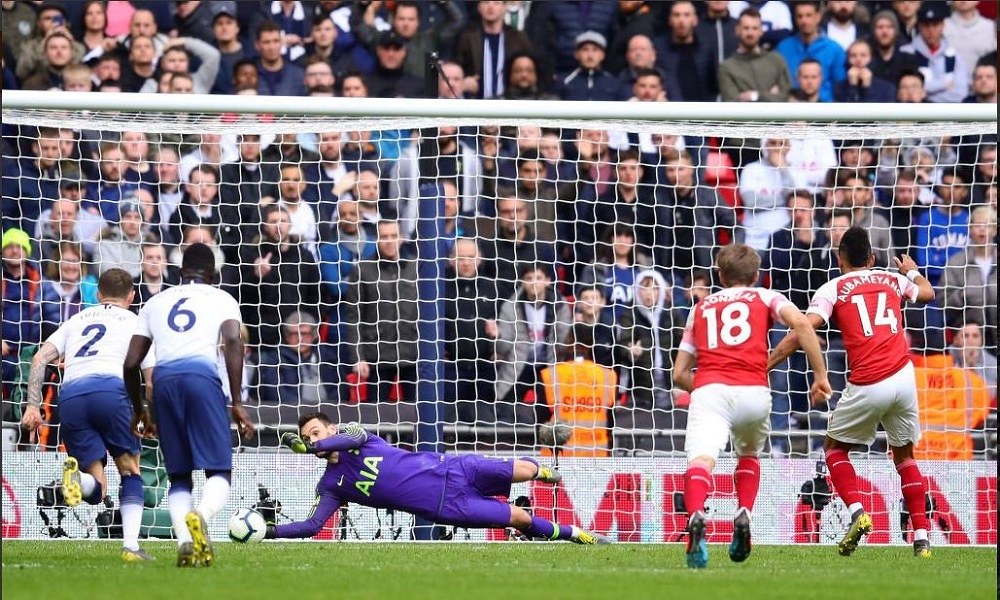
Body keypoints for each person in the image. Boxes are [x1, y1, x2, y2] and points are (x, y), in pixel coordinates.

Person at [768, 227, 937, 558]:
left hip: (868, 381)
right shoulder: (893, 279)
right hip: (903, 377)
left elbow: (801, 330)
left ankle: (858, 513)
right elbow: (928, 292)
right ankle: (922, 538)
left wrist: (766, 365)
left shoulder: (833, 287)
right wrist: (912, 271)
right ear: (872, 259)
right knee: (904, 457)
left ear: (839, 258)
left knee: (834, 450)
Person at [673, 243, 831, 569]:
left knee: (701, 461)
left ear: (720, 276)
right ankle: (744, 512)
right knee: (747, 454)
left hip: (711, 389)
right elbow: (803, 325)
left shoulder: (700, 307)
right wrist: (820, 375)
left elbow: (678, 374)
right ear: (757, 275)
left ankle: (696, 515)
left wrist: (707, 392)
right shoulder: (766, 297)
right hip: (754, 391)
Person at [260, 412, 607, 545]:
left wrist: (311, 447)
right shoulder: (330, 485)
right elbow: (312, 526)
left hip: (454, 468)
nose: (312, 440)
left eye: (316, 432)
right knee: (519, 517)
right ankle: (575, 534)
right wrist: (267, 531)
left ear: (331, 429)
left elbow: (347, 438)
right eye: (307, 438)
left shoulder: (356, 435)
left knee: (527, 471)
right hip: (448, 506)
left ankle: (541, 469)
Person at [124, 243, 255, 568]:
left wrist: (140, 410)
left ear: (180, 271)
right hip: (201, 378)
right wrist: (237, 402)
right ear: (212, 274)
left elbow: (130, 364)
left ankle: (185, 541)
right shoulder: (222, 298)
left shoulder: (155, 302)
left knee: (179, 475)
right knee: (218, 469)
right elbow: (233, 340)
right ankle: (202, 515)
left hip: (164, 383)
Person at [21, 268, 154, 562]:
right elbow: (150, 377)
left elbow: (39, 358)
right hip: (112, 392)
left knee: (97, 489)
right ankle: (131, 547)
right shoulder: (136, 323)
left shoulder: (76, 320)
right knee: (130, 471)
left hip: (71, 397)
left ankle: (79, 482)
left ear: (98, 293)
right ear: (132, 296)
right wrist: (150, 414)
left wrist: (32, 406)